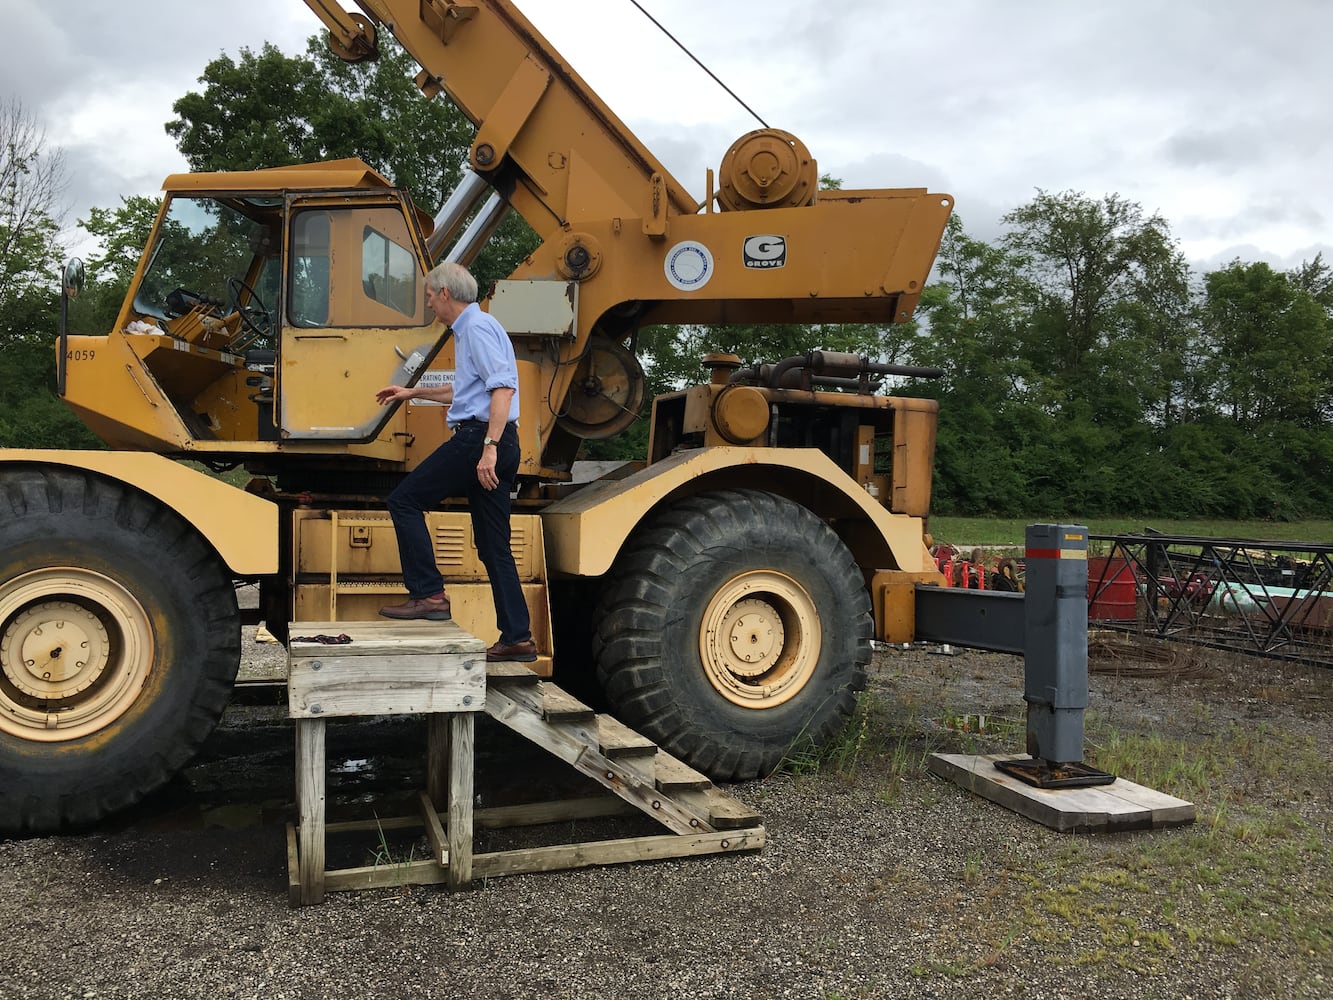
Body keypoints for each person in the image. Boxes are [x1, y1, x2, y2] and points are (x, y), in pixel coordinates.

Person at [374, 262, 536, 663]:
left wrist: (489, 447)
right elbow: (467, 392)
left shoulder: (476, 330)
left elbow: (502, 389)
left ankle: (428, 594)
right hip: (491, 438)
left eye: (430, 295)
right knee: (494, 546)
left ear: (445, 294)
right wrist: (411, 393)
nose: (429, 302)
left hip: (479, 440)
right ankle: (518, 637)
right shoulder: (476, 328)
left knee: (404, 500)